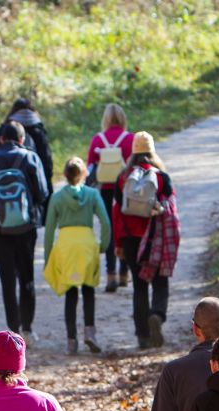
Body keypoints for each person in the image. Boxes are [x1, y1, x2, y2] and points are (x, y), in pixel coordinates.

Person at [0, 122, 49, 345]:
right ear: (21, 139)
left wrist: (1, 212)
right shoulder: (30, 158)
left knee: (7, 281)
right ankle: (28, 329)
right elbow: (42, 193)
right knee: (26, 278)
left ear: (0, 139)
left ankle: (13, 332)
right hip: (27, 228)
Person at [113, 131, 175, 348]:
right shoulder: (161, 177)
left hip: (131, 239)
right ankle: (157, 314)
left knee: (139, 287)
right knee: (160, 281)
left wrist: (118, 243)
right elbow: (170, 209)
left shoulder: (122, 177)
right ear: (152, 150)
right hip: (154, 239)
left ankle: (142, 336)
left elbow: (117, 212)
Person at [43, 157, 111, 354]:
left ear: (64, 174)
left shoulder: (56, 198)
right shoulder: (92, 194)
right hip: (87, 244)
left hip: (66, 245)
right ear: (84, 174)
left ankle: (71, 339)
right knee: (89, 290)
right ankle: (90, 333)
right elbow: (105, 222)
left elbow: (48, 230)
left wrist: (48, 257)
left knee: (71, 293)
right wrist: (102, 246)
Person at [86, 103, 134, 292]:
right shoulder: (130, 139)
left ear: (105, 119)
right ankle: (124, 272)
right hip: (125, 189)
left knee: (109, 229)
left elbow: (90, 167)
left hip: (104, 189)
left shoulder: (98, 140)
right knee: (124, 228)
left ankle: (111, 273)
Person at [0, 97, 54, 201]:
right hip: (31, 186)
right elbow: (46, 161)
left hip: (3, 187)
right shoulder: (38, 130)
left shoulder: (2, 130)